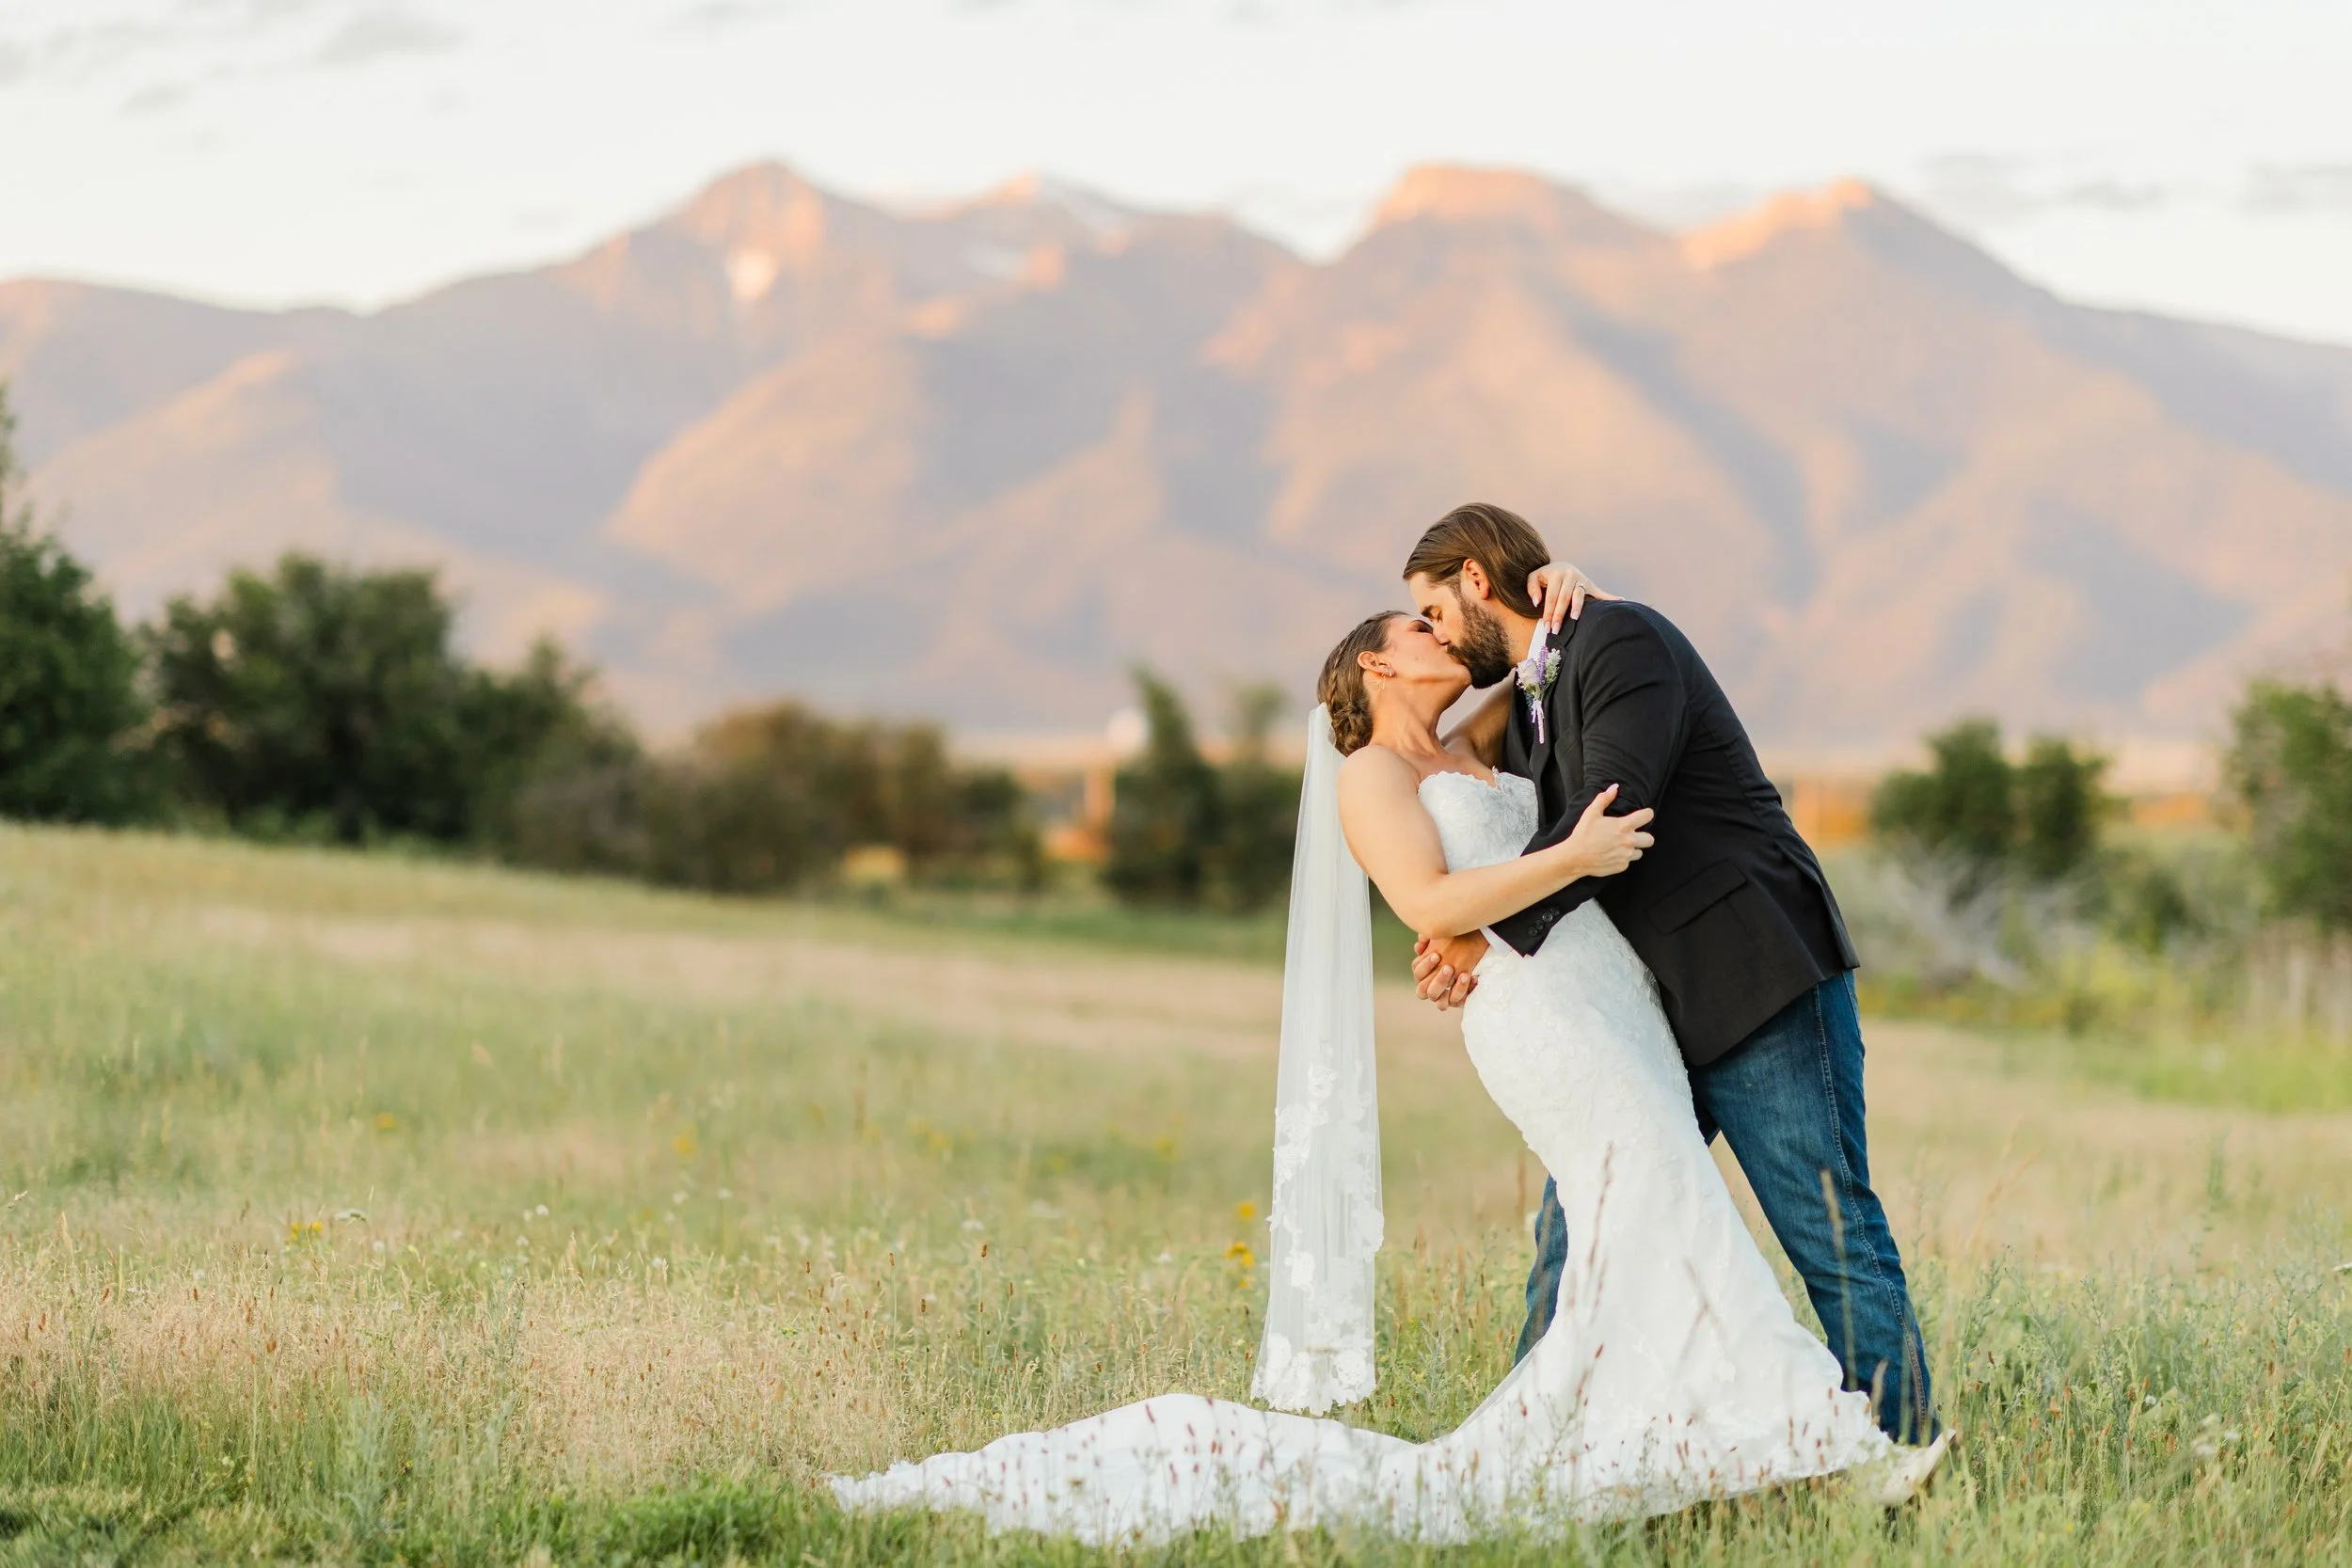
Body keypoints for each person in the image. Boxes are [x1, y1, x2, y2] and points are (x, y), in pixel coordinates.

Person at [832, 578, 1945, 1544]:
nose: (1439, 635)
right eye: (1420, 624)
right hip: (1547, 1026)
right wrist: (1573, 856)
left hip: (1619, 1007)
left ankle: (1651, 1446)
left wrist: (1560, 582)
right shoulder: (1371, 773)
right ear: (1377, 659)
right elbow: (1424, 900)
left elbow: (1547, 648)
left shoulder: (1465, 746)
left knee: (1648, 1222)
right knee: (1660, 1204)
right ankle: (1821, 1446)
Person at [1403, 503, 1939, 1451]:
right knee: (1576, 1237)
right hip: (1639, 1015)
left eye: (1436, 612)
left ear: (1475, 581)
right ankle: (1534, 1457)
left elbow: (1616, 808)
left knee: (1826, 1230)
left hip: (1753, 981)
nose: (1438, 635)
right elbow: (1505, 812)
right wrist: (1464, 941)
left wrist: (1476, 939)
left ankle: (1902, 1454)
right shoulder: (1532, 694)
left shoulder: (1623, 639)